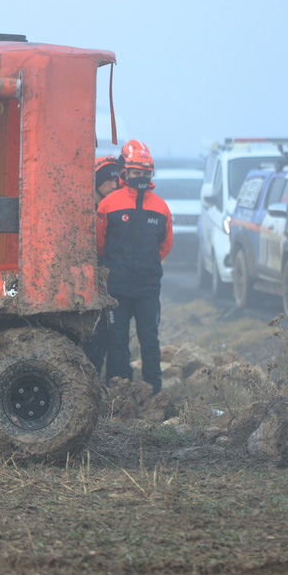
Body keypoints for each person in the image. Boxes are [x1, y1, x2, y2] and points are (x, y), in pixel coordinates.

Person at [96, 139, 173, 393]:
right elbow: (99, 242)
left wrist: (147, 265)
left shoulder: (161, 207)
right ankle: (118, 390)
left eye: (145, 173)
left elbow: (165, 245)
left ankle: (153, 391)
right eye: (136, 172)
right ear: (125, 172)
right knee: (117, 340)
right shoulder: (109, 204)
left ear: (151, 174)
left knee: (149, 339)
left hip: (148, 288)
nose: (140, 177)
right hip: (116, 288)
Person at [83, 155, 120, 374]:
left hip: (110, 283)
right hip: (86, 285)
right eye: (108, 180)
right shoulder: (83, 210)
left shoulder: (115, 210)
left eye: (116, 180)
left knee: (107, 336)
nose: (114, 185)